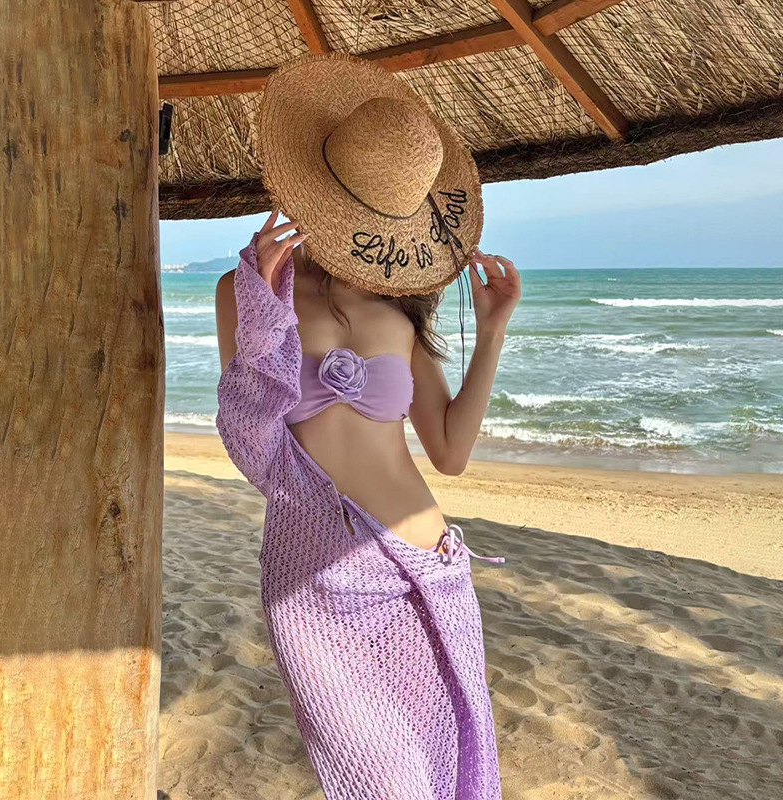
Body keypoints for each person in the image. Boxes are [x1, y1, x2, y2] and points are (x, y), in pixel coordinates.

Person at [215, 52, 521, 800]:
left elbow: (449, 450)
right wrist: (263, 310)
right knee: (381, 780)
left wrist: (491, 332)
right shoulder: (249, 288)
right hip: (317, 580)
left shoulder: (401, 308)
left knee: (449, 768)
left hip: (431, 568)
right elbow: (250, 442)